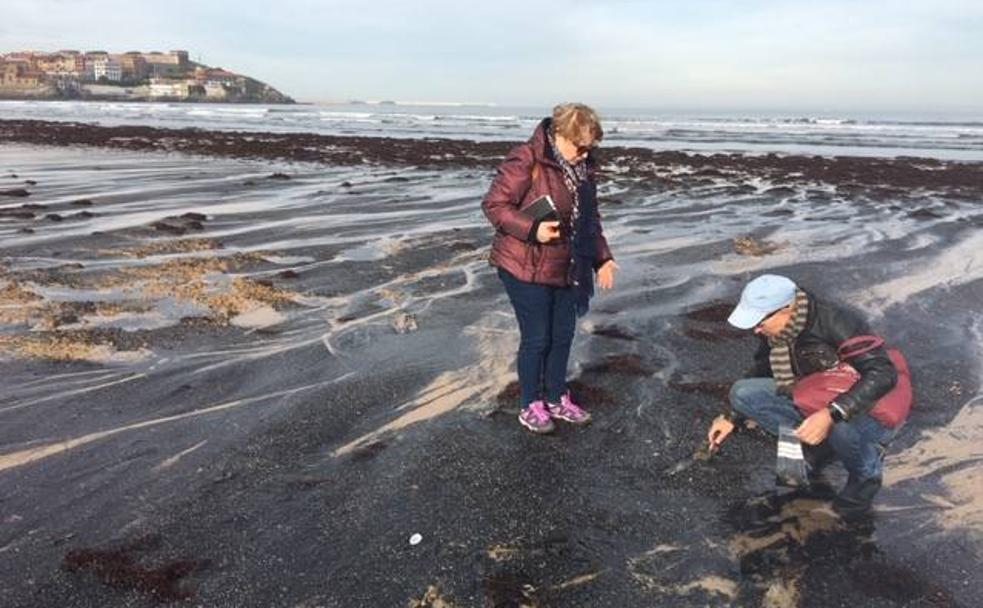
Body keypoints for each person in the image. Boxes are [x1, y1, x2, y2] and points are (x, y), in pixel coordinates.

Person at [706, 274, 899, 517]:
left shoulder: (837, 321)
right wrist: (731, 416)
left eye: (760, 322)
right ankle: (815, 448)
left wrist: (831, 414)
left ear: (787, 309)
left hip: (864, 404)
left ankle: (863, 484)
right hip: (815, 395)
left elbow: (883, 374)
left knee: (844, 433)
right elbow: (763, 367)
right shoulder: (776, 330)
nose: (756, 329)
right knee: (743, 394)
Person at [482, 103, 618, 434]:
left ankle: (557, 397)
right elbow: (494, 205)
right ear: (559, 134)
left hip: (566, 265)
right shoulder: (526, 158)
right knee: (537, 337)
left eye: (590, 148)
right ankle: (531, 404)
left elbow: (589, 219)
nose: (584, 154)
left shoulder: (585, 168)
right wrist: (532, 229)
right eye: (579, 146)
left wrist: (603, 258)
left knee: (563, 336)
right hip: (523, 265)